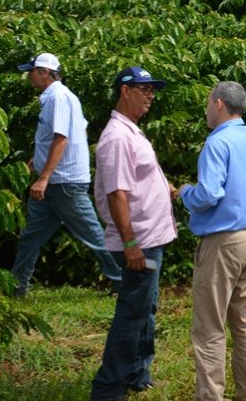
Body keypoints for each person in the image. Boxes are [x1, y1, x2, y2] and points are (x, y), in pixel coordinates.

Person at [179, 82, 246, 401]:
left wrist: (183, 193)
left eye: (208, 103)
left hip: (222, 241)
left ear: (218, 103)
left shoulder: (217, 143)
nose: (206, 109)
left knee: (208, 330)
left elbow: (208, 193)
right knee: (245, 323)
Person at [91, 66, 177, 401]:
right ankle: (108, 388)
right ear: (125, 91)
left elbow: (137, 177)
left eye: (153, 90)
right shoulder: (116, 137)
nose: (151, 96)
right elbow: (116, 194)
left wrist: (162, 185)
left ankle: (137, 372)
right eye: (145, 90)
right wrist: (130, 245)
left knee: (145, 309)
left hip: (151, 238)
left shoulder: (130, 131)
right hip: (138, 241)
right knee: (132, 314)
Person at [10, 53, 121, 297]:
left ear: (44, 73)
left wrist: (43, 177)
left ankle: (124, 283)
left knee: (93, 236)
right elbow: (72, 130)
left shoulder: (58, 98)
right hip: (54, 182)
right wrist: (37, 159)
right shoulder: (60, 96)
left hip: (63, 183)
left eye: (32, 71)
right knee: (30, 237)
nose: (29, 76)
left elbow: (61, 138)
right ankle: (17, 288)